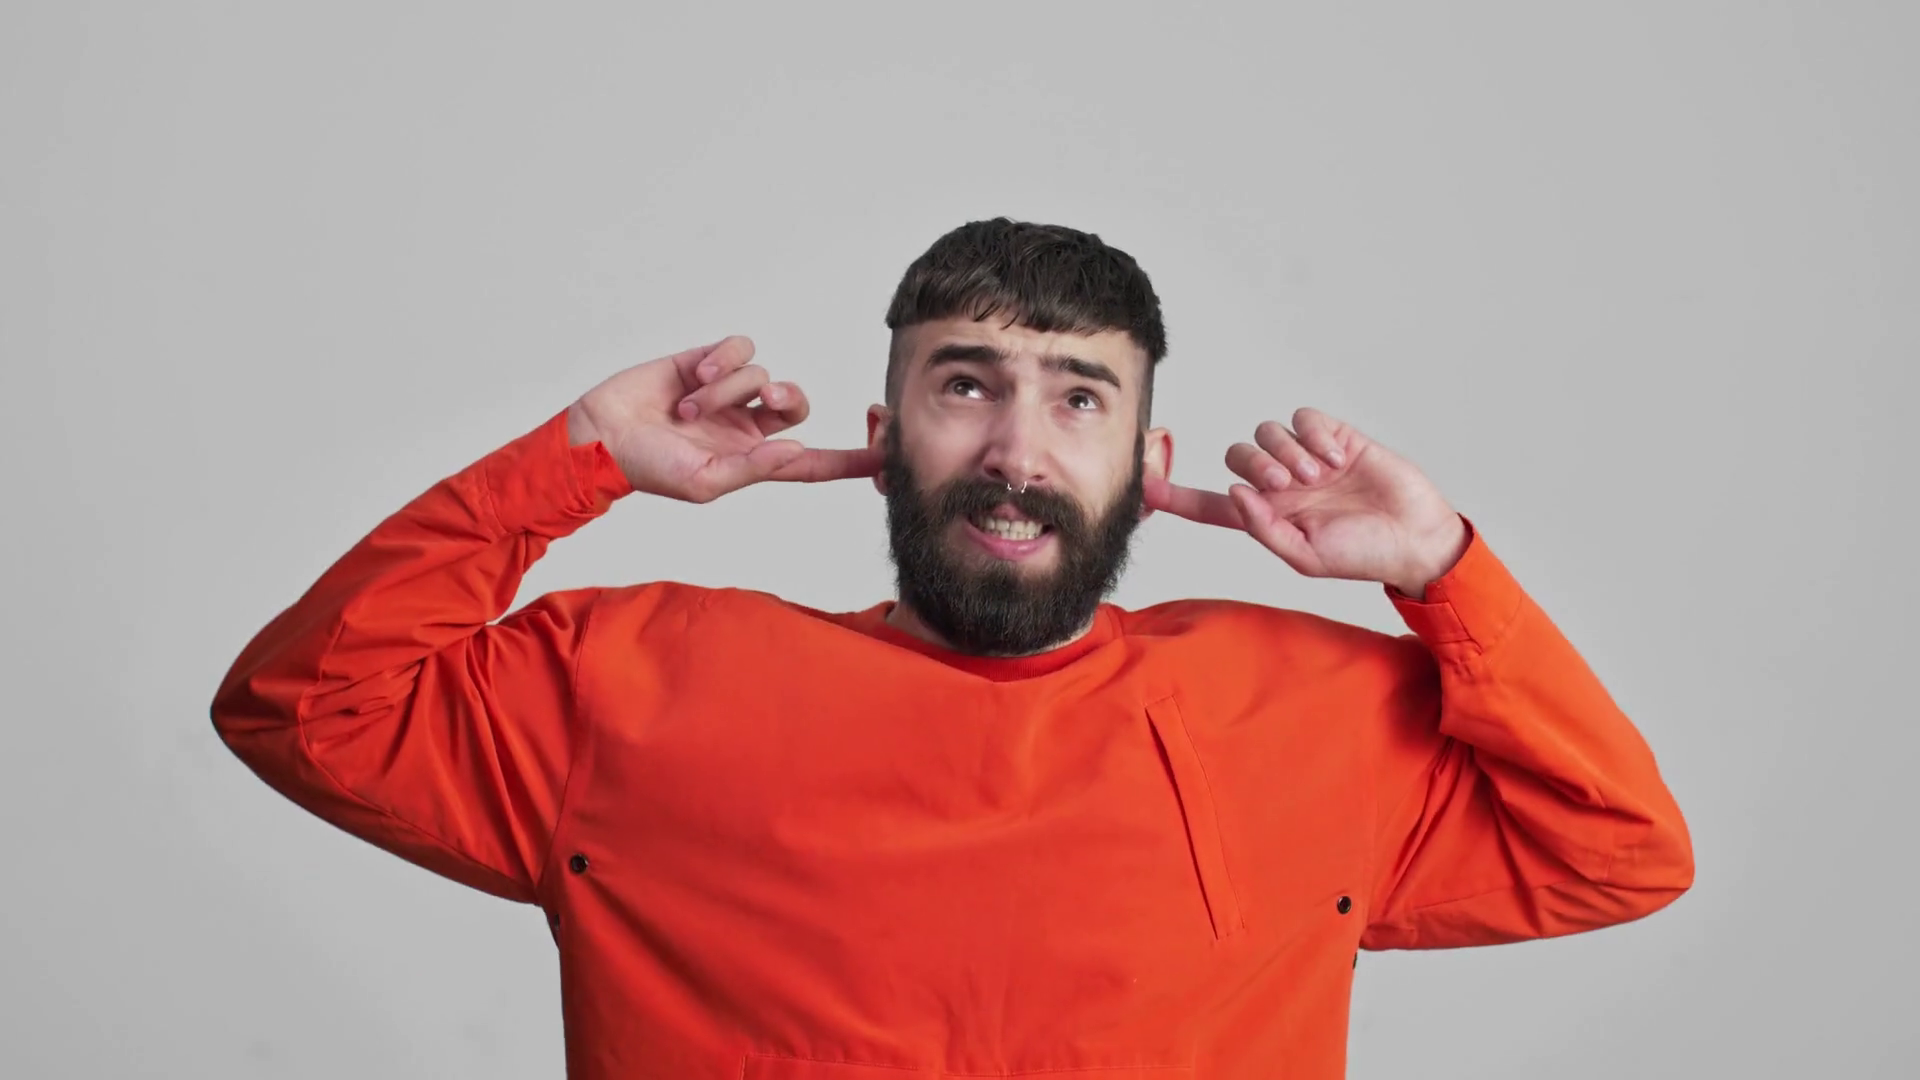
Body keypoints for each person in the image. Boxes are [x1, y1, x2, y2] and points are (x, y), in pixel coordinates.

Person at [211, 218, 1694, 1079]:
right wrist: (577, 459)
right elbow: (305, 707)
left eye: (1077, 400)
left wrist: (1444, 571)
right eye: (966, 386)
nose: (1015, 454)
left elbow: (1616, 849)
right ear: (883, 438)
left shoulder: (1312, 707)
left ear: (1149, 462)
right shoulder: (629, 685)